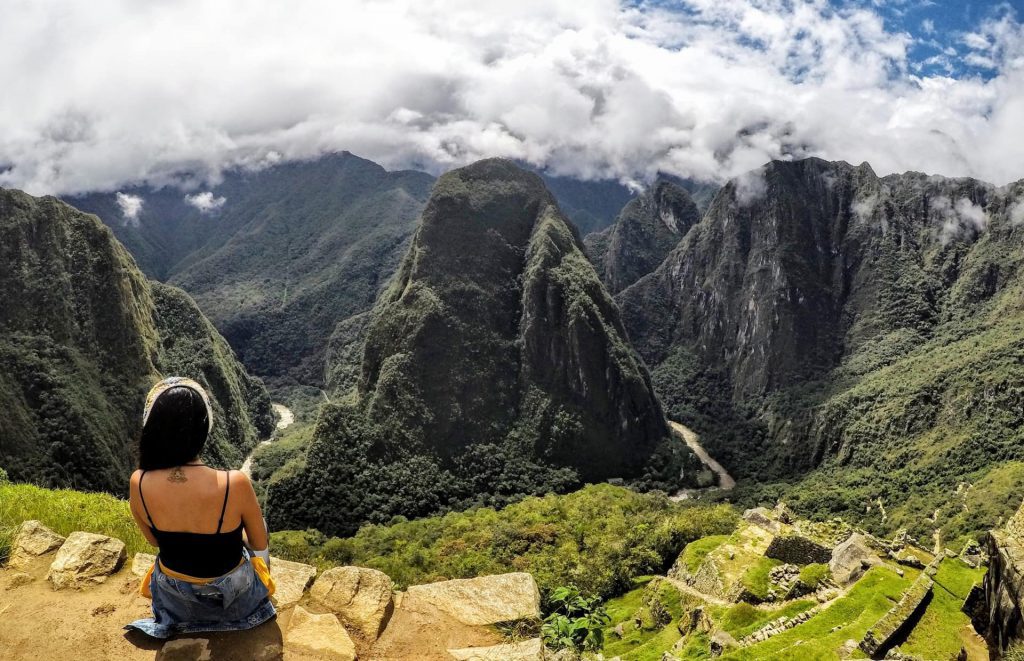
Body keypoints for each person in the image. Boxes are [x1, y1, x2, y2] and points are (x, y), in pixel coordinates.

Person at [125, 377, 276, 639]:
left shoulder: (138, 481)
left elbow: (153, 541)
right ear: (204, 429)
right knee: (258, 526)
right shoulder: (234, 483)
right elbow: (258, 541)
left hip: (175, 601)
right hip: (234, 602)